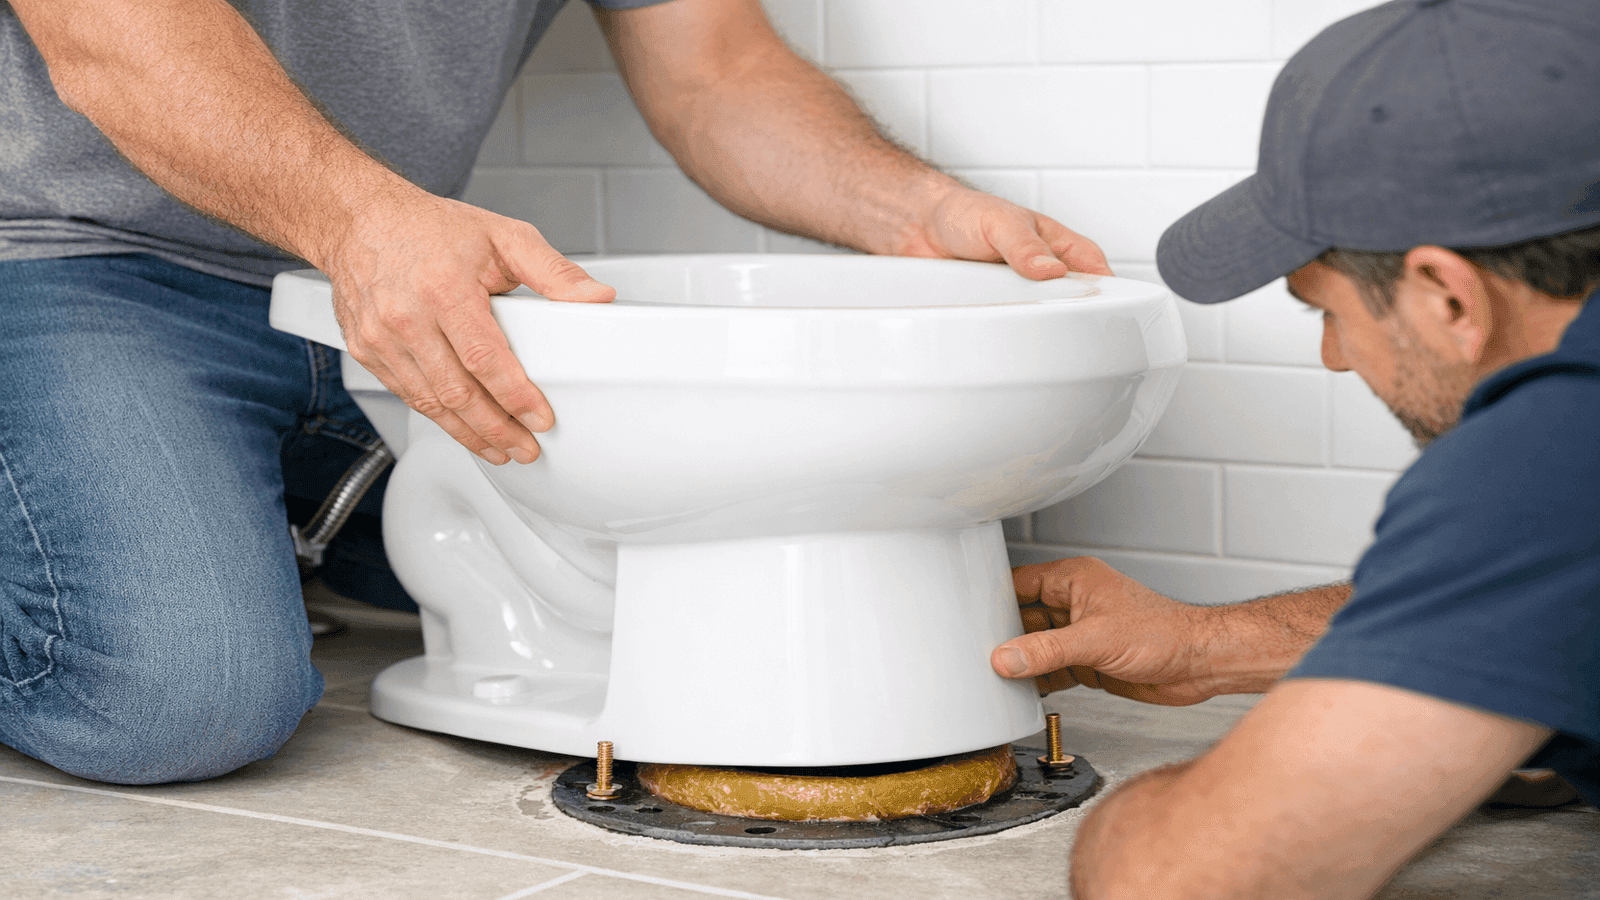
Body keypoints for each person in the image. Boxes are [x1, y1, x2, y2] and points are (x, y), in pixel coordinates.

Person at [0, 0, 1108, 786]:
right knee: (181, 697)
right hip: (65, 262)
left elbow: (714, 70)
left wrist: (914, 213)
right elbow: (112, 35)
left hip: (370, 284)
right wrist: (359, 221)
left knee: (688, 598)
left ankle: (241, 516)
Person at [986, 0, 1600, 896]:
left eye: (1328, 309)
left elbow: (1176, 882)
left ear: (1448, 297)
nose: (1334, 355)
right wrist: (1207, 644)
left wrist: (1184, 804)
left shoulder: (1554, 447)